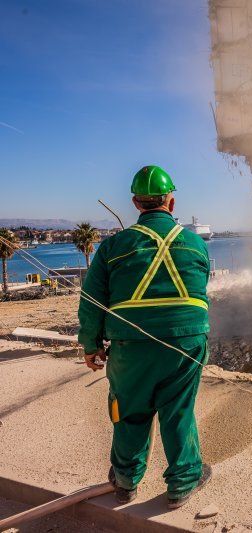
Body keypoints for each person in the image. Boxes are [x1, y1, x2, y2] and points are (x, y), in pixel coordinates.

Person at [78, 165, 212, 509]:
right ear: (171, 202)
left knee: (130, 412)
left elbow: (92, 301)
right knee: (178, 410)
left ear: (137, 204)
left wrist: (91, 346)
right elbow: (198, 287)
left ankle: (125, 482)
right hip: (187, 342)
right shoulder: (196, 243)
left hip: (130, 348)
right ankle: (182, 483)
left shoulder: (114, 246)